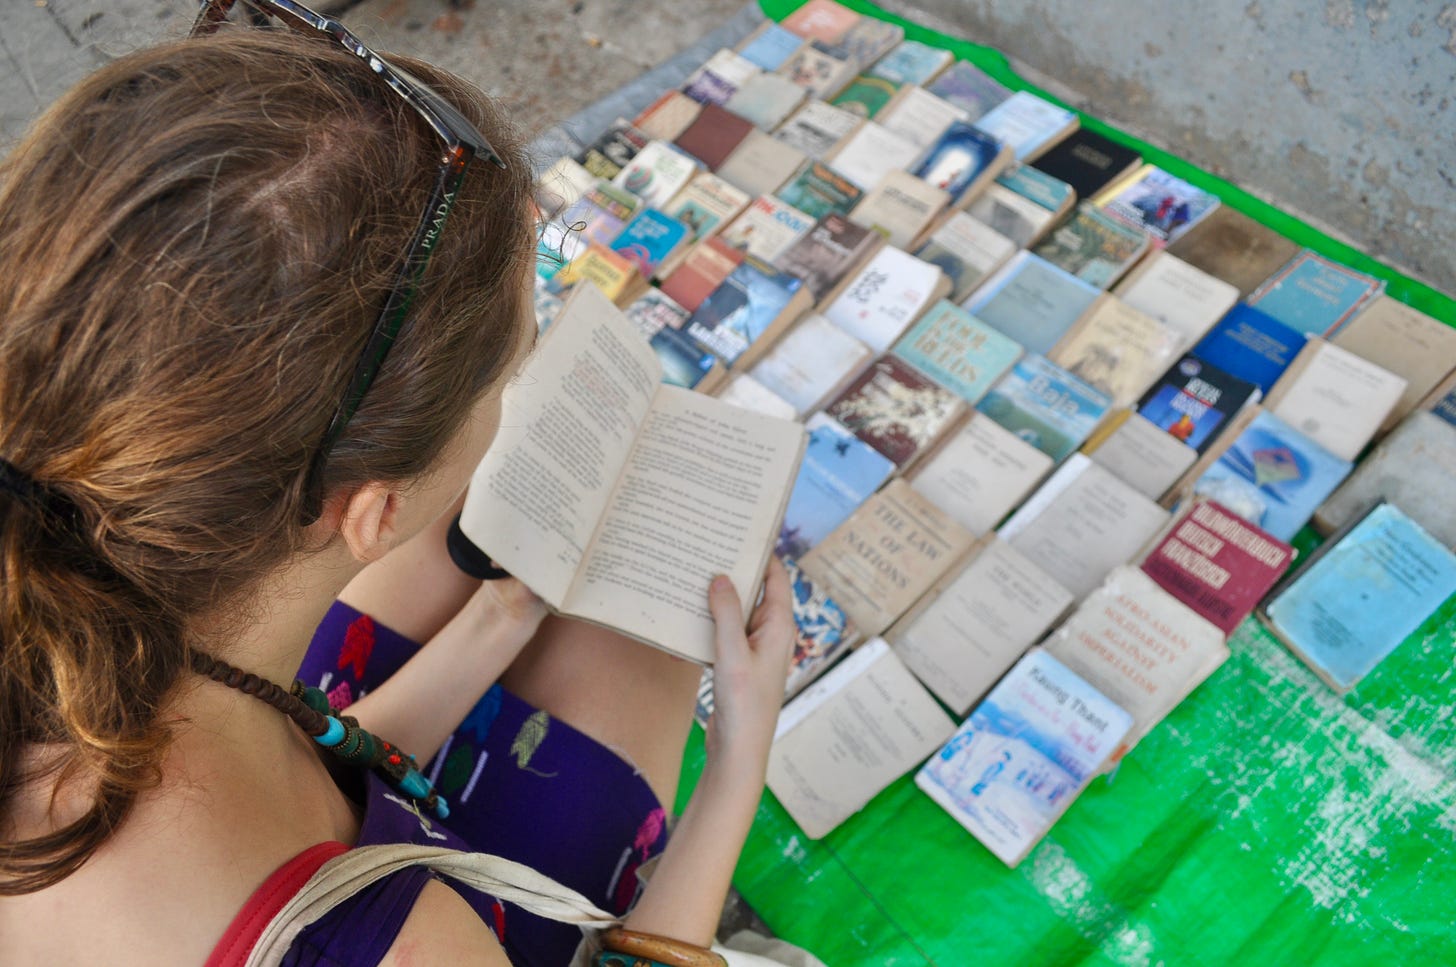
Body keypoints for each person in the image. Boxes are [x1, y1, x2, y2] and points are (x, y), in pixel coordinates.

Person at [0, 4, 794, 965]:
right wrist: (739, 766)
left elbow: (261, 780)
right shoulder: (410, 948)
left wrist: (497, 621)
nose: (513, 402)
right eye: (508, 383)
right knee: (651, 657)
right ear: (371, 512)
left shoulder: (83, 590)